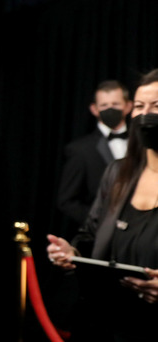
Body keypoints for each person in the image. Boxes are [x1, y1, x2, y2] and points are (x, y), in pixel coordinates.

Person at [47, 68, 158, 341]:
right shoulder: (118, 173)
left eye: (156, 105)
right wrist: (70, 252)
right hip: (104, 320)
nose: (146, 114)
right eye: (141, 106)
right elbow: (90, 235)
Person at [56, 80, 132, 235]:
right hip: (100, 236)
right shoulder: (80, 150)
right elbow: (67, 201)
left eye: (115, 104)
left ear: (128, 106)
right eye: (104, 105)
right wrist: (99, 223)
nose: (110, 109)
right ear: (94, 109)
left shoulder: (143, 144)